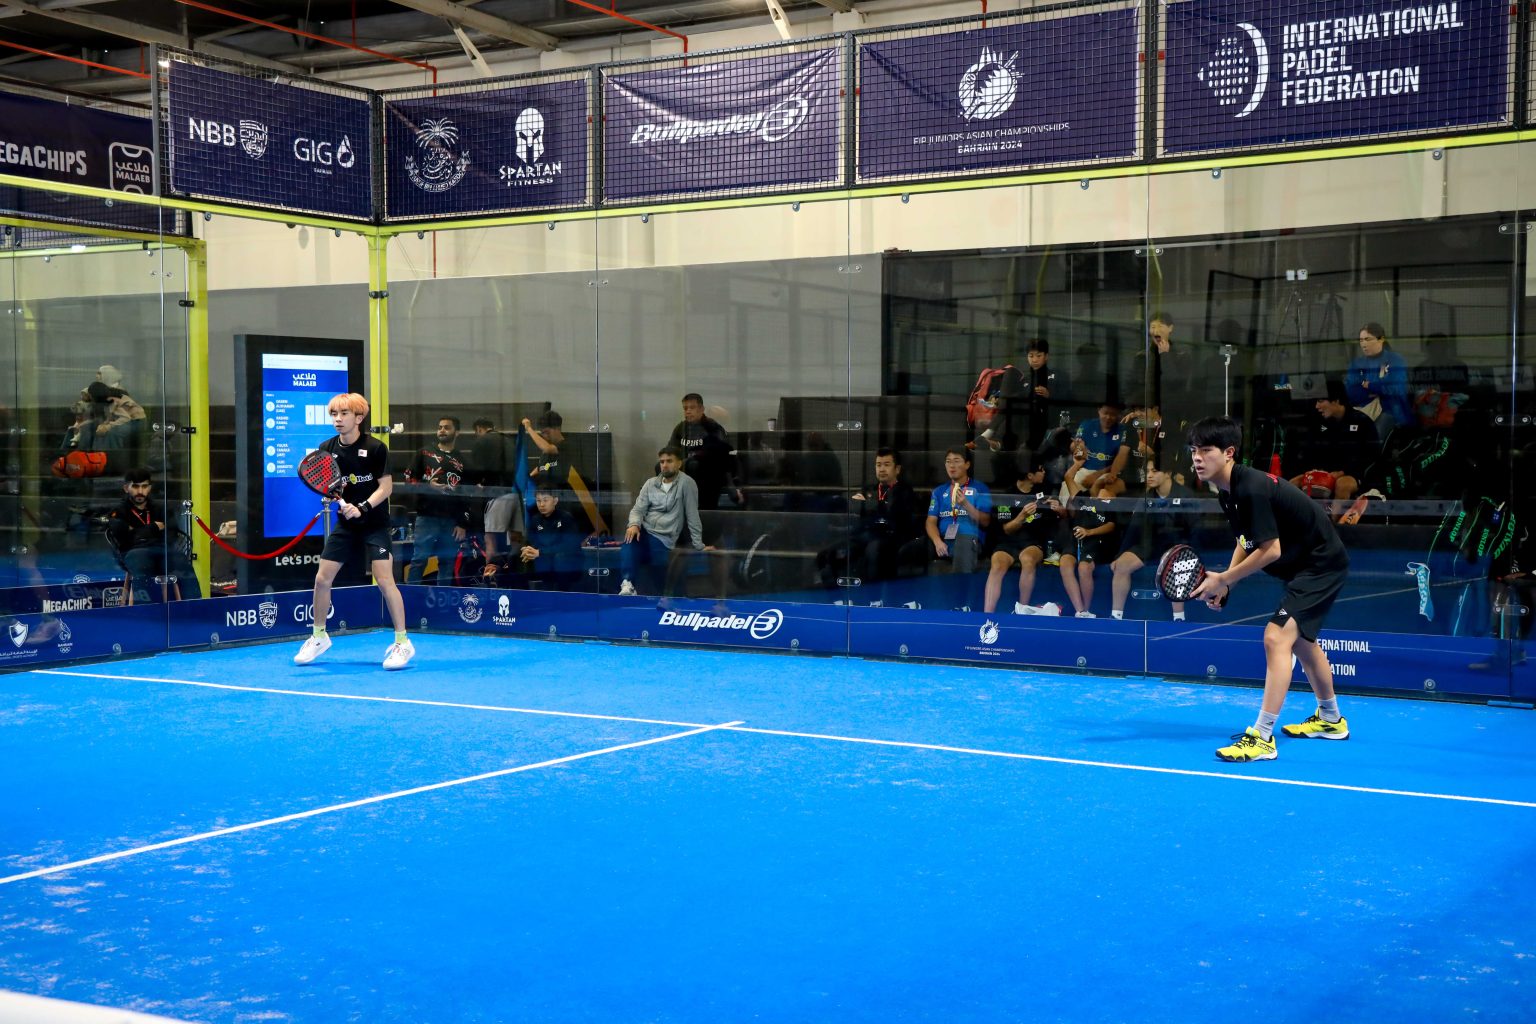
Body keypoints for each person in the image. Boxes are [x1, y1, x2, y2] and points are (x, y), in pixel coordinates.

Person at [1186, 416, 1352, 763]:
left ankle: (1262, 738)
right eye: (1193, 450)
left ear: (1229, 452)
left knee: (1276, 637)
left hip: (1320, 565)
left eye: (1206, 450)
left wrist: (1223, 579)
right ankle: (1331, 719)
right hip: (1306, 565)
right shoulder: (1228, 491)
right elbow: (1246, 540)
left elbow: (1271, 550)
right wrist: (1228, 582)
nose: (1197, 457)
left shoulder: (1250, 488)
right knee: (1302, 642)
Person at [294, 393, 413, 670]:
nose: (338, 419)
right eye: (334, 414)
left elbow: (386, 488)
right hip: (346, 525)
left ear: (359, 417)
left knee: (385, 580)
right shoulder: (326, 448)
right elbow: (330, 486)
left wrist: (362, 507)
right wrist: (339, 502)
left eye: (344, 414)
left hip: (375, 524)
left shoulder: (376, 448)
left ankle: (402, 642)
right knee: (322, 579)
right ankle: (319, 636)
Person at [817, 447, 918, 591]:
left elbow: (895, 519)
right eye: (878, 465)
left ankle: (873, 597)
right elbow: (859, 514)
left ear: (897, 469)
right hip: (864, 535)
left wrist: (871, 505)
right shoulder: (870, 489)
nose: (881, 469)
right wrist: (866, 506)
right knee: (826, 554)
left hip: (891, 538)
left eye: (886, 465)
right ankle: (835, 597)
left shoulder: (904, 491)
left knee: (874, 550)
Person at [1109, 462, 1196, 621]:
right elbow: (1133, 528)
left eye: (1154, 471)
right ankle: (1116, 616)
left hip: (1175, 546)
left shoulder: (1185, 495)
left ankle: (1179, 618)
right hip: (1149, 545)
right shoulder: (1147, 497)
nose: (1149, 475)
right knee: (1121, 565)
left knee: (1178, 563)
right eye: (1148, 471)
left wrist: (1190, 552)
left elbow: (1194, 529)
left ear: (1168, 473)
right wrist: (1120, 555)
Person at [620, 445, 707, 597]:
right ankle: (628, 583)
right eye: (662, 462)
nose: (665, 465)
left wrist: (698, 545)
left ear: (679, 463)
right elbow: (638, 509)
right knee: (629, 539)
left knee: (657, 564)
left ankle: (671, 598)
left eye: (669, 461)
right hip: (646, 530)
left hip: (664, 536)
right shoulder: (650, 483)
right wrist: (634, 524)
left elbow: (692, 515)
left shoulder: (687, 483)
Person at [104, 467, 201, 602]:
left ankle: (194, 607)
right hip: (134, 552)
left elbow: (172, 533)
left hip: (161, 551)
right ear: (126, 488)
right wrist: (154, 528)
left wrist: (137, 532)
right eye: (135, 486)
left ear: (149, 488)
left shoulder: (161, 509)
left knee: (181, 560)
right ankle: (143, 610)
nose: (140, 491)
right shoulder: (118, 512)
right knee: (141, 561)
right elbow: (122, 537)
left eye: (144, 486)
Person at [983, 454, 1063, 615]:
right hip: (1008, 542)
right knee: (997, 566)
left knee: (1027, 559)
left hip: (1032, 542)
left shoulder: (1045, 492)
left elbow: (1061, 517)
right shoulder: (1008, 496)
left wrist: (1060, 510)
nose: (1044, 472)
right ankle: (987, 614)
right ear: (1030, 475)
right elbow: (1007, 529)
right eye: (1040, 470)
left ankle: (1022, 610)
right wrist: (1022, 516)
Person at [1287, 380, 1379, 505]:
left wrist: (1342, 472)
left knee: (1342, 485)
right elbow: (1310, 452)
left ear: (1336, 400)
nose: (1317, 406)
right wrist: (1314, 470)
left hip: (1354, 475)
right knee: (1293, 483)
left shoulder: (1362, 422)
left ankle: (1336, 519)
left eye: (1321, 401)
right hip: (1325, 474)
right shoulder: (1320, 424)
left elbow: (1370, 456)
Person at [403, 416, 470, 584]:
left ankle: (443, 598)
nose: (442, 430)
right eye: (440, 427)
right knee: (419, 560)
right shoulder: (424, 453)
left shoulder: (462, 460)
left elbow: (467, 494)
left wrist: (462, 523)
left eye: (447, 427)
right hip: (427, 516)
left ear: (457, 432)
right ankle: (411, 596)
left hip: (451, 520)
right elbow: (408, 480)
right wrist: (428, 485)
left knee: (447, 563)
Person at [520, 410, 610, 535]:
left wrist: (529, 428)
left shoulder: (566, 446)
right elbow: (542, 467)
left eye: (547, 432)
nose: (545, 436)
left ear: (557, 429)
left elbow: (547, 449)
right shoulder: (546, 453)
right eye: (543, 433)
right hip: (544, 502)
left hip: (562, 501)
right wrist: (528, 477)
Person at [925, 446, 992, 574]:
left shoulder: (979, 488)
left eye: (956, 461)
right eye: (948, 461)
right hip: (943, 538)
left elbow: (985, 521)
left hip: (969, 538)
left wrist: (966, 504)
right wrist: (937, 541)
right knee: (909, 551)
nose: (952, 465)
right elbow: (930, 521)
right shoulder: (938, 491)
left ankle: (960, 585)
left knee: (962, 543)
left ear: (967, 465)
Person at [668, 393, 741, 512]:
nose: (688, 411)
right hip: (683, 472)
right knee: (661, 466)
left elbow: (721, 456)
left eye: (692, 407)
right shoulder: (680, 429)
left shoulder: (712, 428)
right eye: (685, 408)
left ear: (701, 409)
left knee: (695, 465)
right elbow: (670, 450)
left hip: (708, 476)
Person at [1345, 321, 1412, 440]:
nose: (1364, 344)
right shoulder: (1357, 364)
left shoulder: (1395, 360)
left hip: (1390, 411)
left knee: (1374, 438)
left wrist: (1369, 385)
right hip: (1361, 411)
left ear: (1380, 340)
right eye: (1361, 340)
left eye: (1368, 339)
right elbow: (1350, 393)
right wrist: (1375, 390)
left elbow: (1397, 389)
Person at [468, 416, 520, 564]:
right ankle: (514, 570)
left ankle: (491, 572)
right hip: (514, 494)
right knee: (514, 541)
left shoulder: (481, 441)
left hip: (493, 495)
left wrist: (477, 483)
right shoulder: (510, 441)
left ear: (479, 429)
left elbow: (477, 470)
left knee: (490, 541)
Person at [1057, 488, 1116, 617]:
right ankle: (1080, 610)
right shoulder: (1084, 499)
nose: (1102, 494)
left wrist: (1089, 532)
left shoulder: (1111, 507)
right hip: (1075, 540)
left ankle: (1087, 610)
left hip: (1094, 543)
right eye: (1100, 492)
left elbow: (1111, 525)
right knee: (1065, 564)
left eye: (1106, 494)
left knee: (1084, 568)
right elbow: (1069, 480)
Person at [519, 485, 583, 589]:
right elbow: (530, 541)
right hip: (543, 560)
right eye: (538, 501)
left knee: (560, 558)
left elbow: (569, 546)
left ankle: (562, 592)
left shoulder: (566, 518)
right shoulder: (535, 520)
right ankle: (521, 593)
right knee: (519, 555)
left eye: (545, 500)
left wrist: (540, 552)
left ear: (555, 501)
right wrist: (527, 550)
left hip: (567, 562)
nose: (541, 504)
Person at [1070, 400, 1130, 497]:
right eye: (1105, 413)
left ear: (1118, 414)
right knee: (1069, 490)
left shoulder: (1123, 430)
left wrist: (1098, 475)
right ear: (1099, 410)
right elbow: (1074, 446)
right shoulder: (1086, 425)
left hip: (1109, 472)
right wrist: (1077, 447)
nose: (1108, 417)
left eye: (1113, 414)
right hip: (1084, 470)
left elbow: (1122, 458)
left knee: (1101, 490)